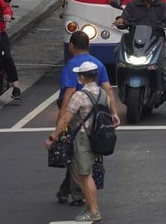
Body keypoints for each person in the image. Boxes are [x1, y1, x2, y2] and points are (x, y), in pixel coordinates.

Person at [55, 31, 120, 205]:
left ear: (71, 47)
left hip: (77, 116)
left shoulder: (71, 65)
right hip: (96, 118)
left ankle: (79, 195)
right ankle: (65, 190)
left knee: (75, 152)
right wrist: (114, 113)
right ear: (89, 45)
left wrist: (60, 120)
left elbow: (68, 92)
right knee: (80, 155)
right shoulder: (98, 64)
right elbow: (109, 89)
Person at [45, 61, 108, 222]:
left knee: (85, 176)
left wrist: (52, 137)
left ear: (82, 77)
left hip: (83, 139)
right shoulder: (103, 94)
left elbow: (66, 118)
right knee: (88, 175)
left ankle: (93, 210)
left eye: (79, 75)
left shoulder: (80, 96)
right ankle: (91, 207)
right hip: (97, 138)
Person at [114, 0, 166, 119]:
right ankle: (121, 85)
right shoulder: (132, 5)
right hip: (136, 43)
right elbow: (124, 16)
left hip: (156, 42)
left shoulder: (162, 6)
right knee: (117, 53)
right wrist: (120, 20)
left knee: (165, 74)